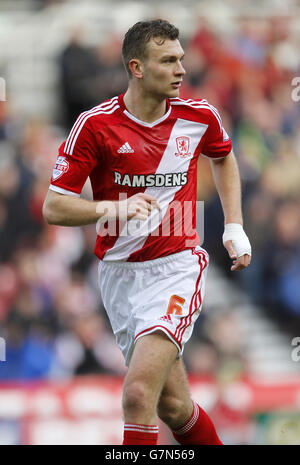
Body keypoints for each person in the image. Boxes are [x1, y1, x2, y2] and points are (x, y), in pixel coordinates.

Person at [43, 19, 251, 445]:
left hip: (175, 267)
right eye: (168, 61)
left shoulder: (199, 116)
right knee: (173, 407)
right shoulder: (95, 126)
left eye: (181, 60)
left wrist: (234, 224)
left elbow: (224, 157)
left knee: (137, 395)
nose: (180, 70)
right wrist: (112, 209)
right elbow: (54, 206)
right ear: (137, 67)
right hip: (118, 275)